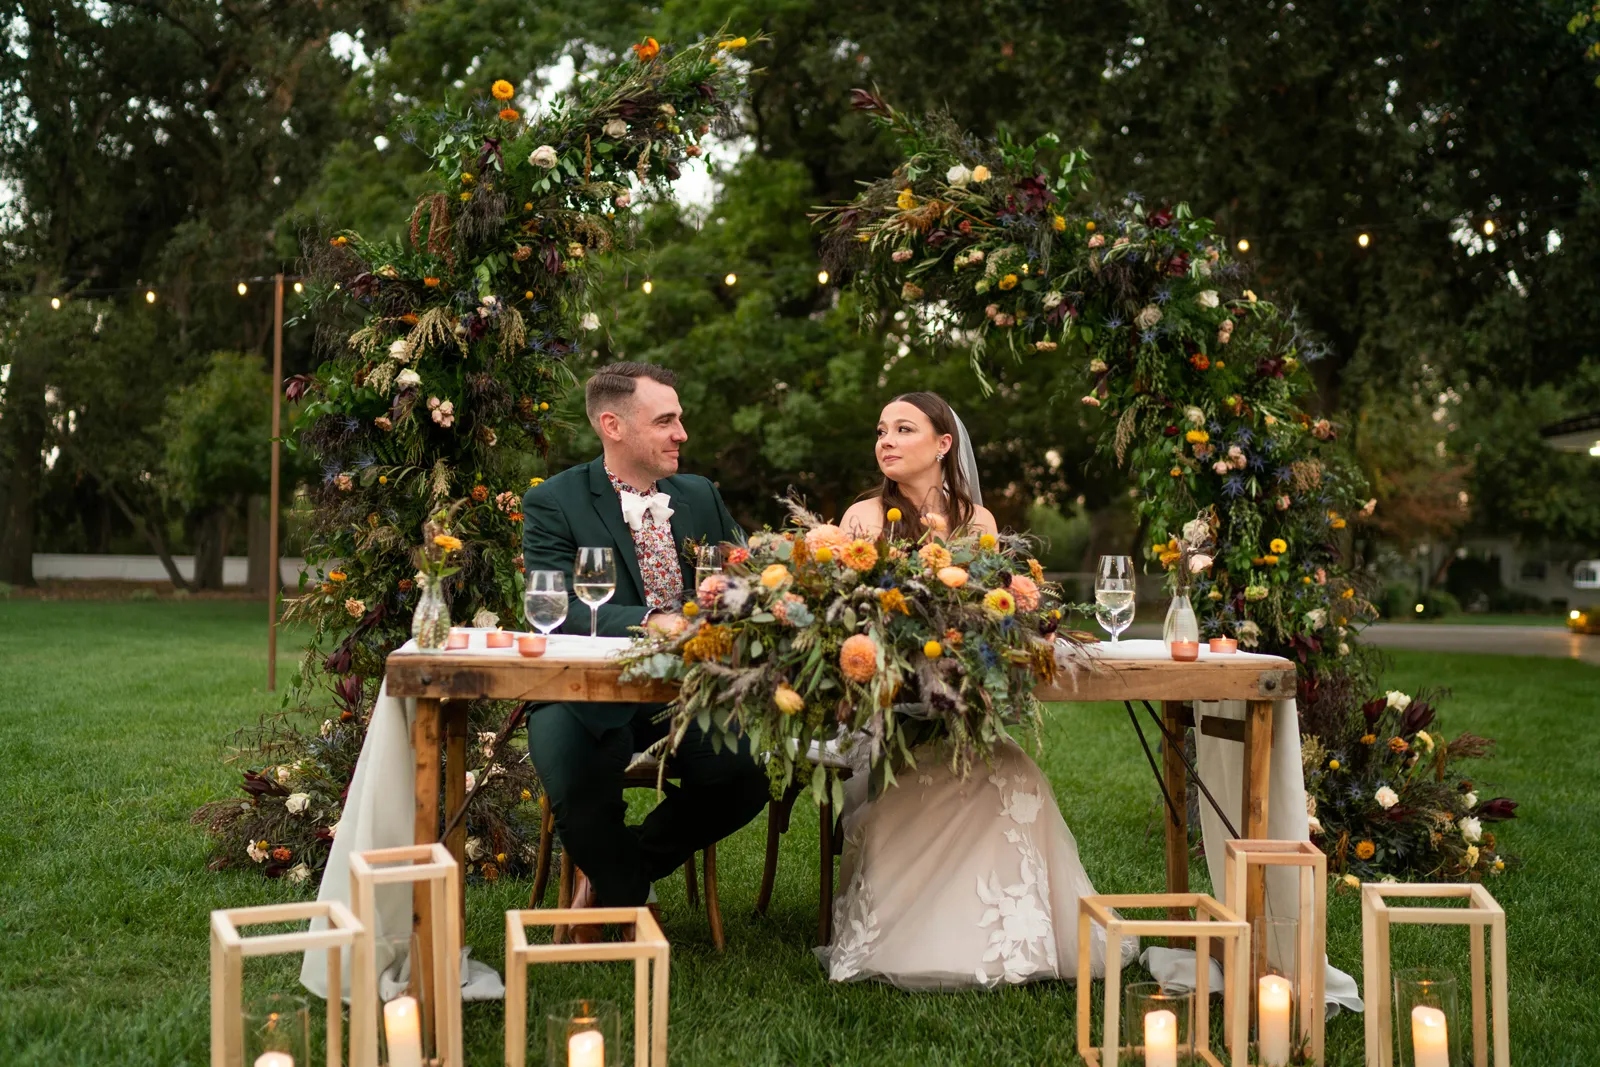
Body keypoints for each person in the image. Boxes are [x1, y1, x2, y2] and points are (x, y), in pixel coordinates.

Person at [820, 391, 1136, 989]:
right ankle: (910, 941)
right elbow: (845, 629)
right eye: (881, 430)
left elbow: (989, 615)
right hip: (883, 714)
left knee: (1018, 777)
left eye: (903, 429)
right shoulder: (863, 519)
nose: (886, 441)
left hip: (959, 712)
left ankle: (1014, 943)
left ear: (943, 444)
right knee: (921, 779)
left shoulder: (977, 521)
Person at [520, 362, 769, 940]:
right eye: (665, 421)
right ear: (613, 425)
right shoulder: (554, 501)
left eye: (679, 419)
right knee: (574, 774)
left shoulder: (700, 494)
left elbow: (747, 576)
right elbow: (555, 607)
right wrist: (653, 621)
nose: (682, 433)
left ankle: (612, 880)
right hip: (584, 689)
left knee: (747, 772)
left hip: (688, 691)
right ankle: (632, 896)